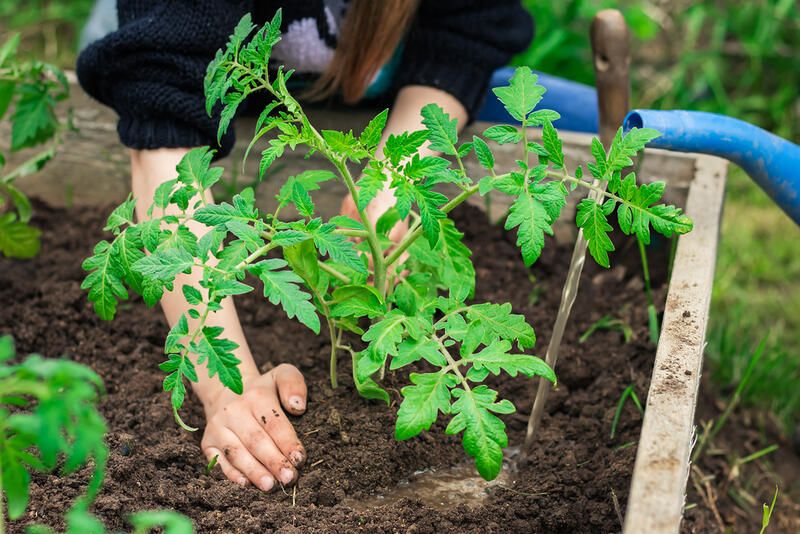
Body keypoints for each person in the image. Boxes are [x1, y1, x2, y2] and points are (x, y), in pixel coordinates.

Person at [77, 0, 533, 492]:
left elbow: (462, 35)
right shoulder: (171, 54)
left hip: (377, 81)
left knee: (578, 110)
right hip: (183, 60)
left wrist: (390, 186)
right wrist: (227, 387)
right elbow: (165, 129)